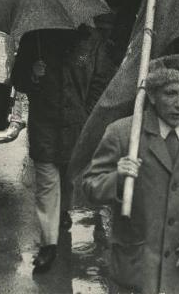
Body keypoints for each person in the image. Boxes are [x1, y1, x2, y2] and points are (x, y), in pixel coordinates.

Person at [82, 54, 179, 294]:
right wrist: (117, 178)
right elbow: (90, 188)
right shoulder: (122, 133)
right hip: (137, 271)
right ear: (152, 96)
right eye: (170, 93)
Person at [12, 25, 116, 272]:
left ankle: (63, 211)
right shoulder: (33, 37)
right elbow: (18, 80)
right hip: (44, 124)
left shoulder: (91, 40)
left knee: (68, 175)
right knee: (48, 181)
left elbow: (102, 79)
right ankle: (49, 244)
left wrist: (88, 112)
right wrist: (32, 75)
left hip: (77, 124)